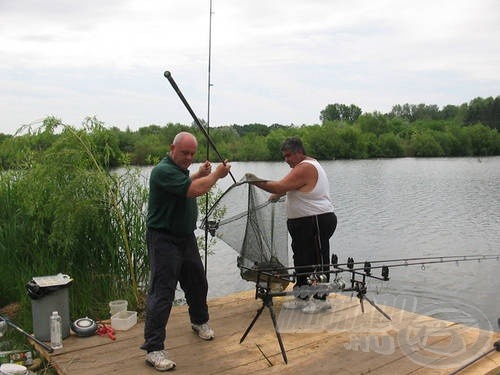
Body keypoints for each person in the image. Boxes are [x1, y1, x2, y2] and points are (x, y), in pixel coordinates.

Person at [140, 131, 231, 371]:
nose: (189, 157)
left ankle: (199, 321)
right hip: (163, 238)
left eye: (192, 154)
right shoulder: (161, 171)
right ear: (172, 148)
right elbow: (193, 191)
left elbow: (186, 183)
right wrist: (216, 176)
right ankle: (154, 349)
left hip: (185, 237)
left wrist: (199, 174)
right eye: (184, 153)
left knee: (197, 283)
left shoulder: (178, 171)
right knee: (162, 292)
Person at [251, 136, 337, 314]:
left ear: (299, 153)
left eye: (289, 155)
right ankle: (302, 297)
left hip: (317, 219)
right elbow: (291, 186)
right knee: (301, 260)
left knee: (318, 261)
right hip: (303, 223)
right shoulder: (301, 166)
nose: (286, 160)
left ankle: (322, 300)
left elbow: (279, 185)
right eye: (284, 156)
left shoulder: (306, 167)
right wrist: (280, 193)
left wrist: (256, 181)